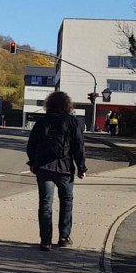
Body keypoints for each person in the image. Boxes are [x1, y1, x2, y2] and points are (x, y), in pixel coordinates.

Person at [26, 91, 88, 252]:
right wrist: (82, 168)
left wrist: (33, 162)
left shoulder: (42, 122)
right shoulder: (73, 122)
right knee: (66, 202)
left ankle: (45, 241)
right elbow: (79, 147)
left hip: (44, 168)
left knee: (45, 204)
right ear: (67, 105)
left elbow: (31, 144)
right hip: (65, 169)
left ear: (49, 104)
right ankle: (63, 237)